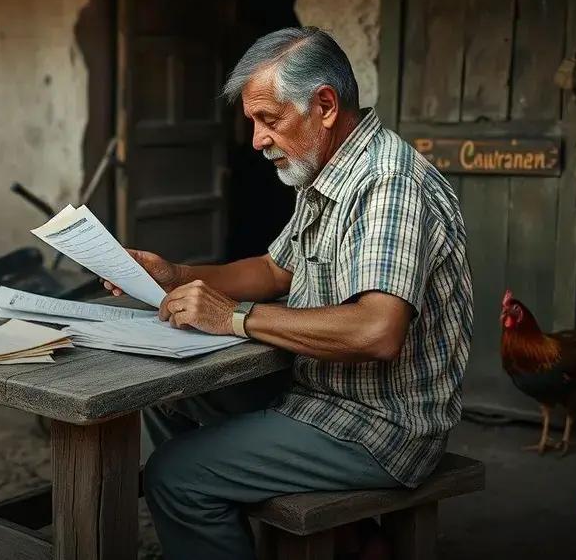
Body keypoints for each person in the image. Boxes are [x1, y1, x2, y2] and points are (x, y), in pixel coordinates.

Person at [103, 27, 474, 559]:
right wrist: (174, 274)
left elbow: (377, 330)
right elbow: (275, 270)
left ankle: (221, 505)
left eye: (269, 119)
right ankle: (334, 534)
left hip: (382, 424)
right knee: (167, 393)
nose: (257, 140)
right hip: (319, 390)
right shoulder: (325, 172)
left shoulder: (388, 184)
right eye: (254, 122)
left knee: (175, 477)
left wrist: (235, 316)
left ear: (325, 105)